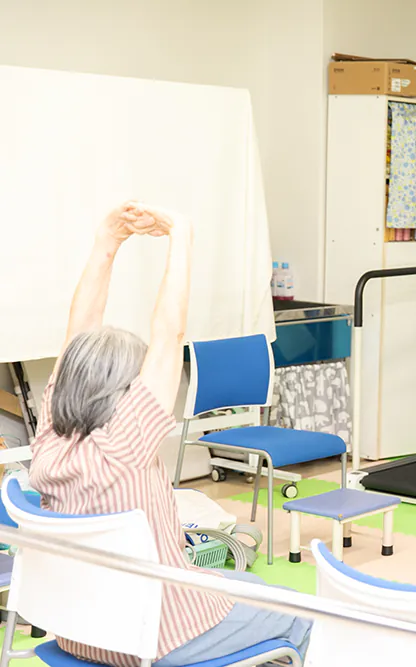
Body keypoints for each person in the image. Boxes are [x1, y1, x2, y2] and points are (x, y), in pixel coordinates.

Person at [28, 203, 312, 667]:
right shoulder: (125, 446)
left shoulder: (51, 440)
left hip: (81, 632)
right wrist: (182, 236)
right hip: (156, 635)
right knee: (302, 613)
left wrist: (107, 244)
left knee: (253, 587)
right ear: (125, 393)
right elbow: (168, 334)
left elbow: (74, 339)